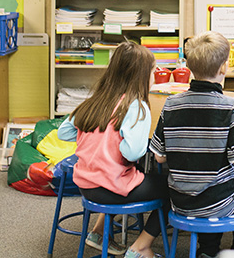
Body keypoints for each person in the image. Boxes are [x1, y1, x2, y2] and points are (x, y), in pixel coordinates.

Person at [150, 31, 234, 258]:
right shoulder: (233, 107)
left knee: (209, 187)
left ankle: (208, 249)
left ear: (189, 65)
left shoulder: (171, 104)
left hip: (179, 201)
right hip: (218, 201)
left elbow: (159, 157)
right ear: (224, 67)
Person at [57, 41, 168, 258]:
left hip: (87, 185)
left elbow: (64, 133)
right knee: (176, 189)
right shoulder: (137, 106)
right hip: (111, 187)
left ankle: (98, 232)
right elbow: (132, 153)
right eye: (154, 69)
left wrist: (101, 140)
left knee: (131, 175)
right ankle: (141, 247)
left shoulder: (96, 100)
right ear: (141, 74)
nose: (157, 73)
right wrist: (115, 143)